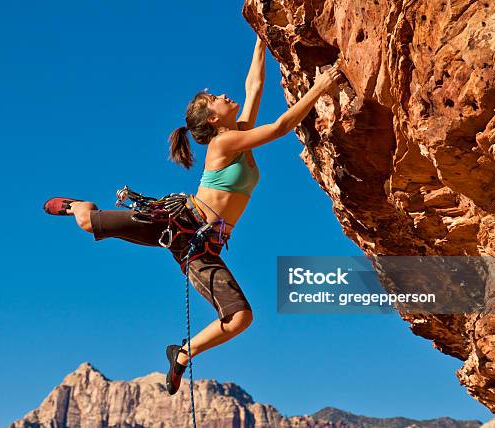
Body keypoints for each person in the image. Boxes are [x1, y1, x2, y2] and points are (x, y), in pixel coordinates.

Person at [43, 37, 342, 395]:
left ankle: (182, 354)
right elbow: (279, 128)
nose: (223, 94)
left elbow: (255, 86)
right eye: (215, 98)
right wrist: (321, 88)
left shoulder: (239, 133)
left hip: (201, 244)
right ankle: (78, 204)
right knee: (89, 221)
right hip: (176, 223)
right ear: (213, 117)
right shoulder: (222, 144)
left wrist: (261, 42)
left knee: (240, 318)